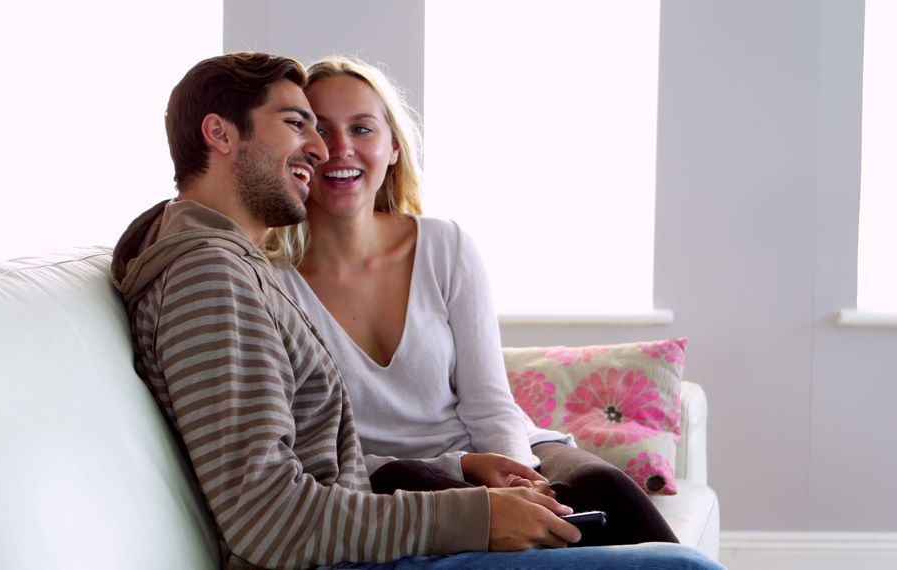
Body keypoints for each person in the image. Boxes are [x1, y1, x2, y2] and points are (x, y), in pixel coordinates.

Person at [112, 52, 721, 570]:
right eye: (300, 123)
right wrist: (475, 512)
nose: (322, 148)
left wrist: (488, 478)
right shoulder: (212, 274)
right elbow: (266, 518)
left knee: (611, 500)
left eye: (355, 129)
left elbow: (297, 476)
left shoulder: (228, 265)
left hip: (363, 530)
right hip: (355, 548)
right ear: (220, 135)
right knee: (680, 568)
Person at [265, 55, 681, 548]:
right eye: (320, 130)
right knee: (438, 490)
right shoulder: (270, 280)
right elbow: (317, 451)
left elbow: (489, 402)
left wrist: (523, 477)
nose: (340, 149)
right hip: (390, 479)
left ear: (393, 147)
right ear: (296, 148)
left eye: (361, 129)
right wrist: (461, 470)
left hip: (501, 450)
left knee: (601, 487)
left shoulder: (445, 246)